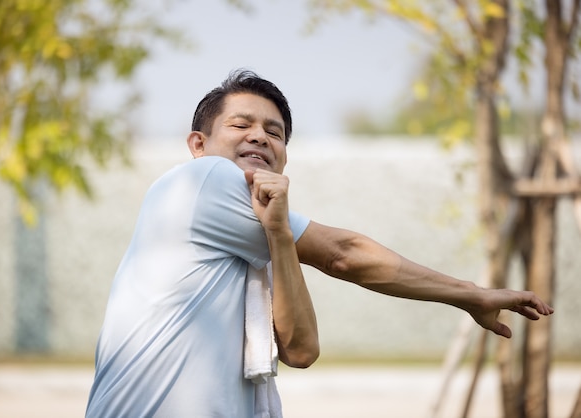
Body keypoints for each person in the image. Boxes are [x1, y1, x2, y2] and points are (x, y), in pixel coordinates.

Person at [86, 69, 554, 417]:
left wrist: (279, 235)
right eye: (241, 125)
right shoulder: (205, 178)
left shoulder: (261, 235)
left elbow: (301, 351)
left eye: (275, 132)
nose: (259, 137)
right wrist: (470, 294)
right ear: (198, 143)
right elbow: (342, 254)